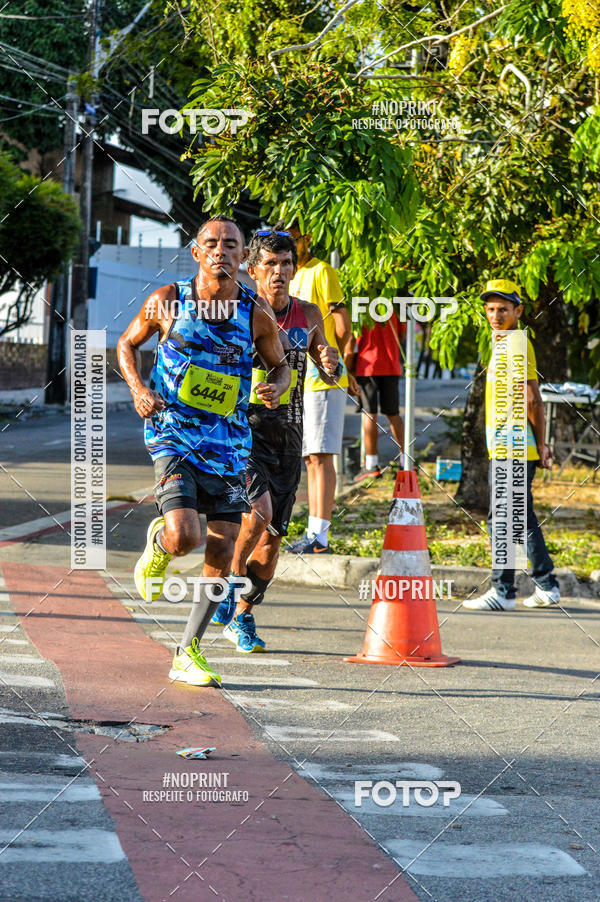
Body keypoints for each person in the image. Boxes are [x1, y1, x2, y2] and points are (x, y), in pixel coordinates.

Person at [117, 216, 290, 686]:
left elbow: (281, 366)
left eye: (231, 245)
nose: (220, 251)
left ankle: (187, 649)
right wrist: (136, 388)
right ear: (196, 253)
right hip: (174, 436)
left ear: (243, 258)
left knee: (222, 545)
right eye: (210, 243)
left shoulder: (255, 311)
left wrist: (275, 385)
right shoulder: (168, 301)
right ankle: (160, 545)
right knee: (185, 538)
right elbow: (126, 345)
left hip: (230, 446)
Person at [210, 229, 340, 649]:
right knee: (258, 514)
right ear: (253, 269)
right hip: (243, 434)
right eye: (270, 264)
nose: (279, 272)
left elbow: (329, 371)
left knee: (271, 542)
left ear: (295, 268)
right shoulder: (239, 313)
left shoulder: (310, 313)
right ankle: (228, 585)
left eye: (286, 263)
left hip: (289, 436)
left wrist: (331, 361)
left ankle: (243, 617)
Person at [463, 278, 560, 612]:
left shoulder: (515, 343)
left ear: (518, 310)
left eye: (503, 308)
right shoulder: (504, 341)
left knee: (502, 518)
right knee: (520, 517)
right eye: (490, 309)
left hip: (513, 445)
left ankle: (504, 591)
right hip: (510, 445)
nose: (495, 314)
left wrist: (542, 442)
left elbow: (532, 398)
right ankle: (546, 586)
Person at [284, 221, 357, 554]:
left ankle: (320, 536)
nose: (286, 250)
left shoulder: (321, 272)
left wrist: (338, 366)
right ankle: (314, 531)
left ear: (306, 239)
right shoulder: (287, 276)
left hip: (322, 379)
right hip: (296, 380)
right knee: (310, 458)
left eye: (292, 241)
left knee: (321, 456)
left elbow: (343, 328)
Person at [345, 310, 405, 481]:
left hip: (367, 365)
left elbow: (351, 339)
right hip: (391, 364)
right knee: (394, 414)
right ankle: (405, 461)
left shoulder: (360, 304)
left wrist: (348, 368)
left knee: (369, 415)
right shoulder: (393, 305)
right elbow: (402, 335)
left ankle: (371, 465)